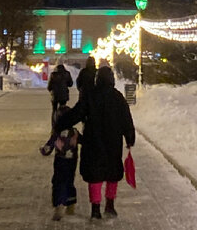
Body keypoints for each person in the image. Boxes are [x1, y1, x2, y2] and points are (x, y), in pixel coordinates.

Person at [55, 63, 134, 220]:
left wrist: (60, 124)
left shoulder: (90, 95)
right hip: (113, 142)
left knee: (95, 174)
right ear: (111, 80)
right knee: (112, 173)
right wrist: (130, 138)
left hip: (93, 141)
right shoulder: (118, 97)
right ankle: (110, 205)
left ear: (98, 80)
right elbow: (127, 120)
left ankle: (95, 209)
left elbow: (77, 113)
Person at [40, 103, 79, 220]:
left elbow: (48, 147)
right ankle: (70, 204)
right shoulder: (75, 132)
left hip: (60, 160)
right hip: (72, 161)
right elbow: (84, 140)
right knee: (69, 181)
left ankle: (59, 205)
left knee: (58, 181)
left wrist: (43, 151)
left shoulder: (56, 134)